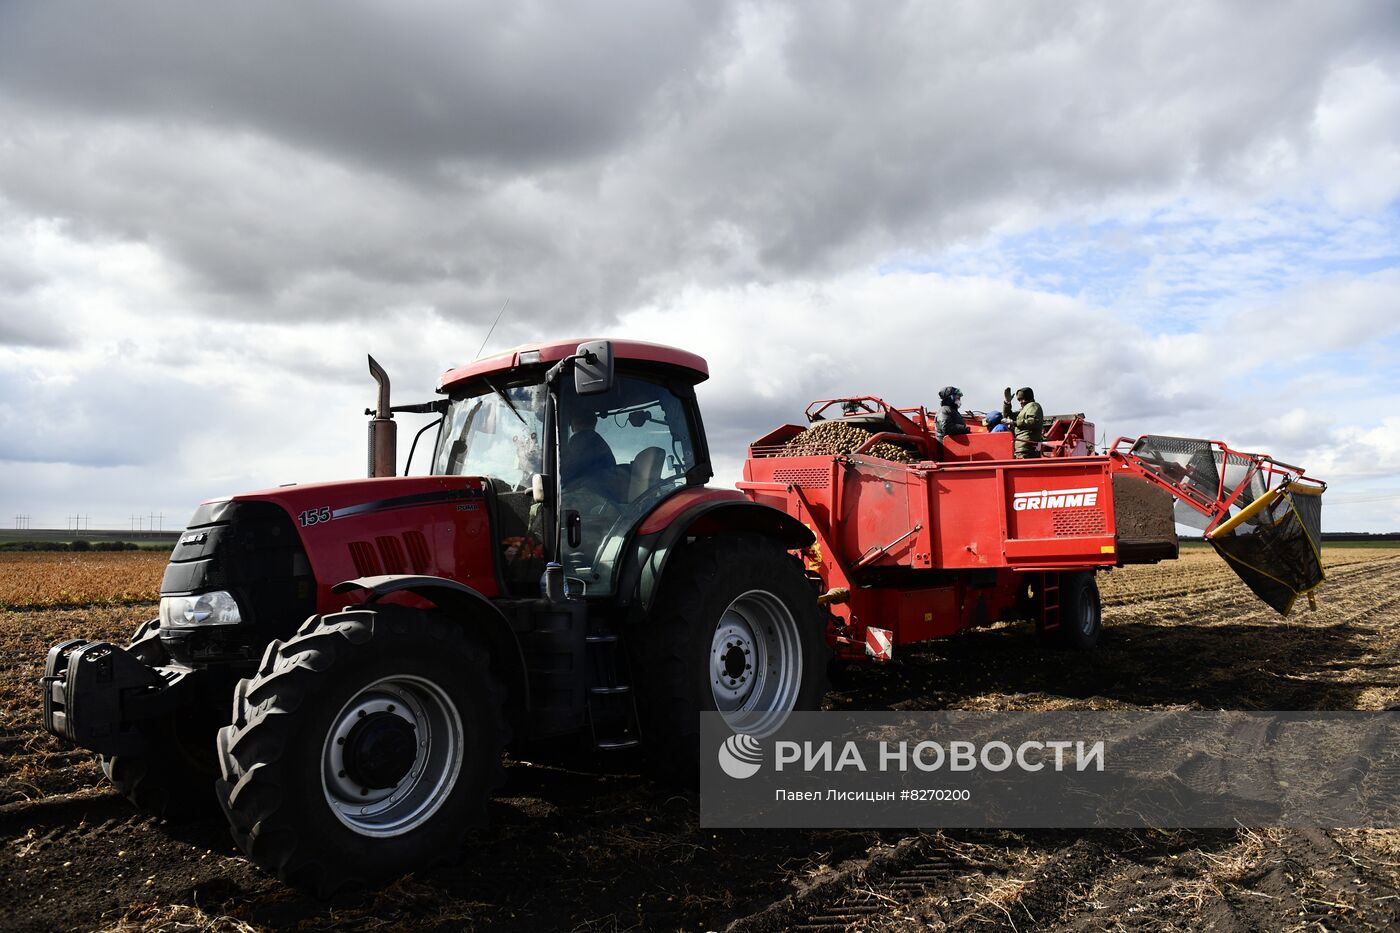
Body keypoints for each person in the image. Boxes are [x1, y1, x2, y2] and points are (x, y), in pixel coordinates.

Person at [562, 410, 616, 488]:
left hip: (586, 491)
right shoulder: (599, 442)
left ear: (574, 423)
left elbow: (564, 472)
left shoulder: (579, 440)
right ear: (594, 423)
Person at [1002, 386, 1043, 458]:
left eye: (1023, 399)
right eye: (1019, 400)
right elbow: (1007, 415)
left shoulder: (1033, 406)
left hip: (1027, 448)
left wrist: (1014, 423)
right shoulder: (1024, 409)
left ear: (1028, 398)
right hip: (1022, 447)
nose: (1021, 402)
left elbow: (1033, 422)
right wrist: (1007, 403)